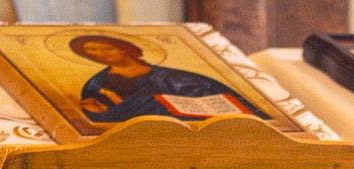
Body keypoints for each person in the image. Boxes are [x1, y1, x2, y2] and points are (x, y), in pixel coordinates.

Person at [70, 35, 250, 125]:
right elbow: (92, 114)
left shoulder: (175, 77)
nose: (98, 54)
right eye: (91, 51)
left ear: (124, 49)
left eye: (105, 49)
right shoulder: (95, 82)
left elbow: (220, 102)